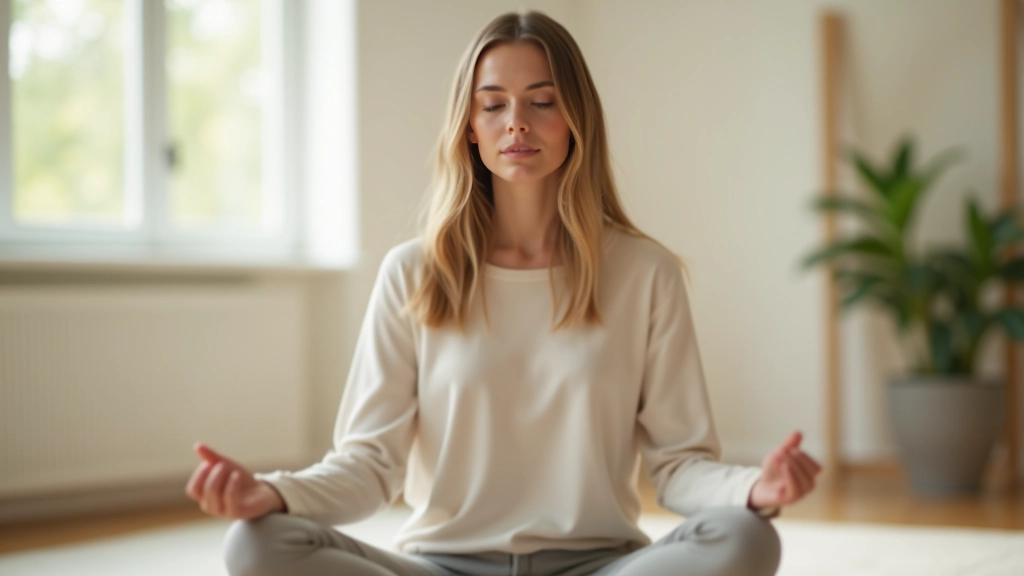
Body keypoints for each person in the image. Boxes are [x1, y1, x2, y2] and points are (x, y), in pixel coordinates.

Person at [185, 10, 820, 576]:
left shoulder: (646, 272)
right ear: (469, 126)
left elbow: (679, 466)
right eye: (493, 104)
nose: (516, 123)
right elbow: (371, 465)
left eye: (542, 101)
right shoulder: (413, 272)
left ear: (577, 117)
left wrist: (753, 487)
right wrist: (271, 493)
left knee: (744, 536)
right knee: (257, 544)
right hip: (443, 565)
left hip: (599, 565)